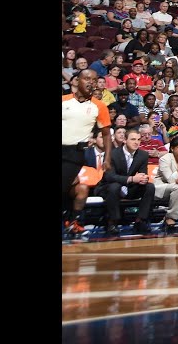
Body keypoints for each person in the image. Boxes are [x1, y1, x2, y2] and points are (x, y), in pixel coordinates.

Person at [63, 70, 112, 236]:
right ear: (77, 81)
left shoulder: (99, 106)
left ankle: (71, 220)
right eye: (87, 79)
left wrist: (107, 158)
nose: (91, 82)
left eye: (94, 80)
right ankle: (72, 220)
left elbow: (106, 134)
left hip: (75, 153)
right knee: (77, 188)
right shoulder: (64, 100)